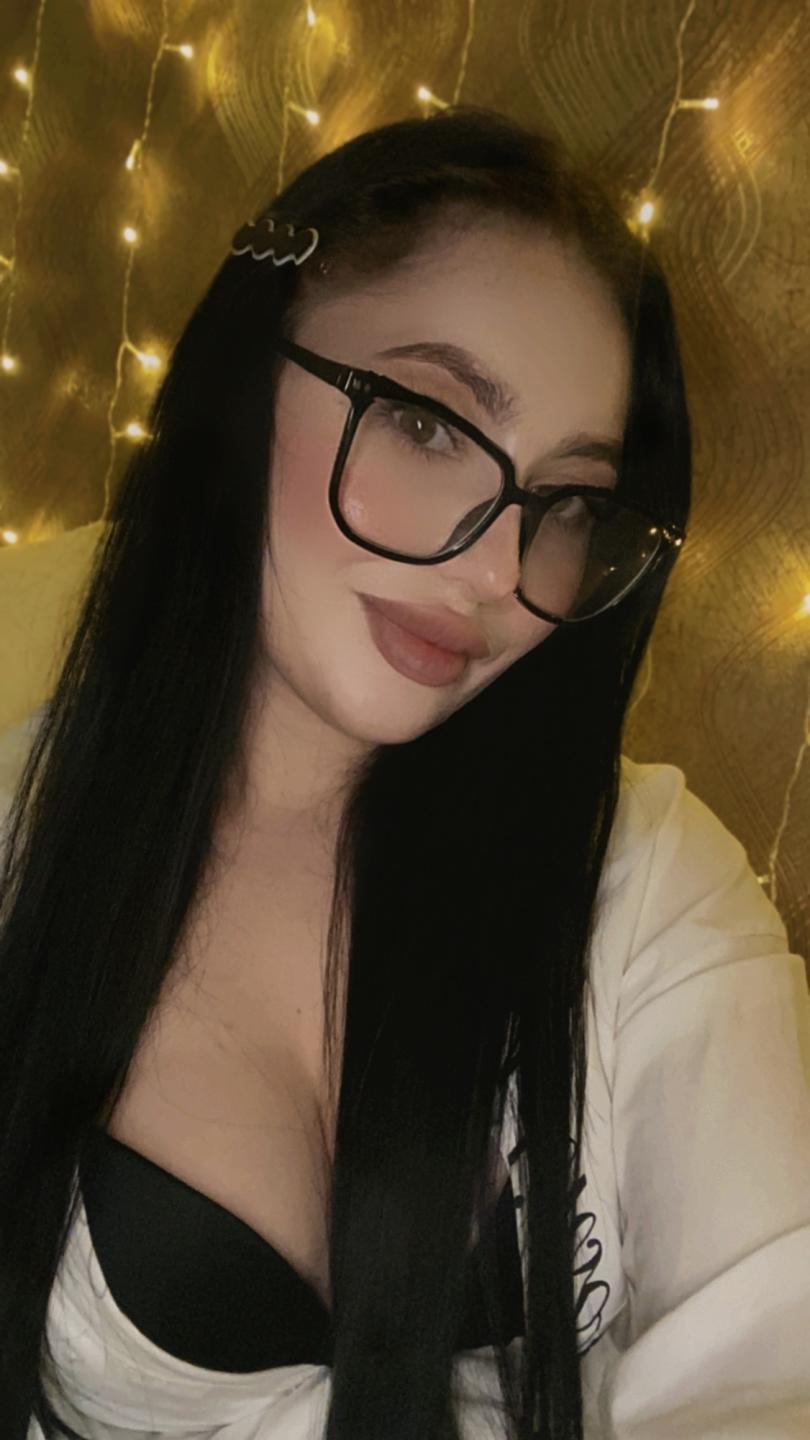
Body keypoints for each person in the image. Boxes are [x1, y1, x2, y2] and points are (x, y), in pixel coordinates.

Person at [0, 105, 807, 1440]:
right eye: (429, 423)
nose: (495, 570)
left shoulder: (643, 878)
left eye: (568, 503)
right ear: (244, 375)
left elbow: (777, 1360)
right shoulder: (26, 849)